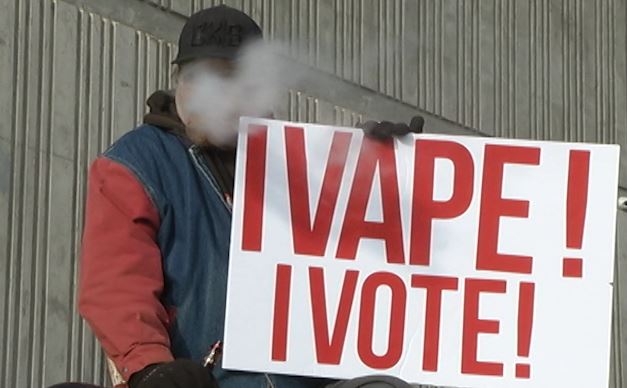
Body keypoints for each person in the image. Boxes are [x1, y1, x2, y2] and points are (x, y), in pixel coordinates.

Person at [49, 4, 423, 388]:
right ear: (178, 80)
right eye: (198, 77)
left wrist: (388, 170)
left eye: (231, 80)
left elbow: (366, 255)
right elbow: (118, 286)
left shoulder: (301, 163)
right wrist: (152, 369)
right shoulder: (138, 164)